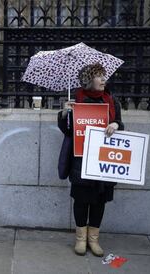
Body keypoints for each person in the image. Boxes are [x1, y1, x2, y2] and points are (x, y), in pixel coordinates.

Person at [58, 63, 124, 256]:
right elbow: (67, 130)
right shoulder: (76, 100)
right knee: (81, 200)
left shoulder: (111, 100)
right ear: (88, 80)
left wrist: (115, 124)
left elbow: (120, 123)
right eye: (99, 76)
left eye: (104, 76)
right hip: (81, 159)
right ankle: (80, 239)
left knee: (99, 201)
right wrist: (65, 113)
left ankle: (93, 240)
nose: (104, 79)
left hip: (104, 159)